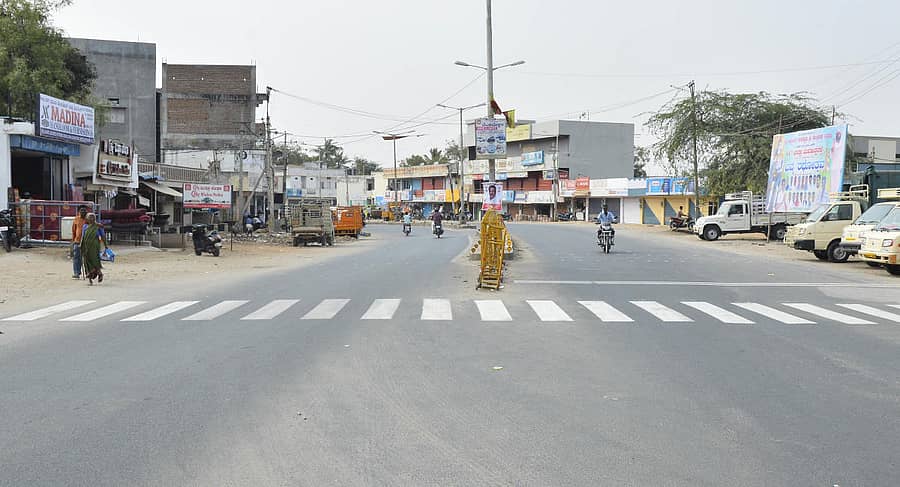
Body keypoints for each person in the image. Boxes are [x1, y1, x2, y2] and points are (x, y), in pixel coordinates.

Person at [79, 213, 108, 285]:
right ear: (87, 219)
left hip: (94, 245)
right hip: (86, 245)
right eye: (90, 217)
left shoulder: (98, 226)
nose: (91, 219)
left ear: (95, 219)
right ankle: (90, 278)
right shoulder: (85, 226)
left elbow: (103, 236)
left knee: (95, 260)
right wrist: (81, 245)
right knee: (86, 260)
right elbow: (83, 236)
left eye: (93, 217)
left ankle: (98, 272)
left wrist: (105, 245)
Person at [71, 205, 88, 279]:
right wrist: (73, 241)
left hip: (87, 242)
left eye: (85, 210)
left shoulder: (89, 219)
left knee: (87, 258)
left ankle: (88, 272)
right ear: (79, 211)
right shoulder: (76, 219)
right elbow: (74, 231)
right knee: (76, 257)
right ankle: (76, 273)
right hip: (77, 241)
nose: (83, 211)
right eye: (82, 210)